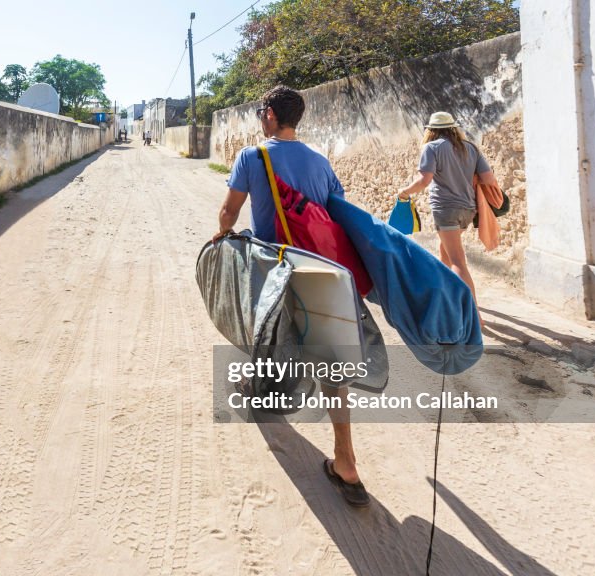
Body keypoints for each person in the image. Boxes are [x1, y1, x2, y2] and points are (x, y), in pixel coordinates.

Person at [213, 85, 369, 508]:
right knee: (330, 360)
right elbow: (338, 212)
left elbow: (230, 212)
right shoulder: (320, 160)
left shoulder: (252, 156)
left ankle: (261, 387)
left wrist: (222, 233)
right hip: (320, 269)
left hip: (275, 264)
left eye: (261, 110)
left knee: (262, 325)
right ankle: (346, 460)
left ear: (268, 116)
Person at [397, 112, 498, 326]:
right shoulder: (470, 147)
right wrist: (462, 176)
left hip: (445, 209)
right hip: (468, 209)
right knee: (445, 253)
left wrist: (404, 192)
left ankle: (474, 316)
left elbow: (424, 181)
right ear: (453, 128)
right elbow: (488, 178)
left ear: (431, 130)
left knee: (458, 260)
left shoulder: (431, 148)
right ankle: (446, 298)